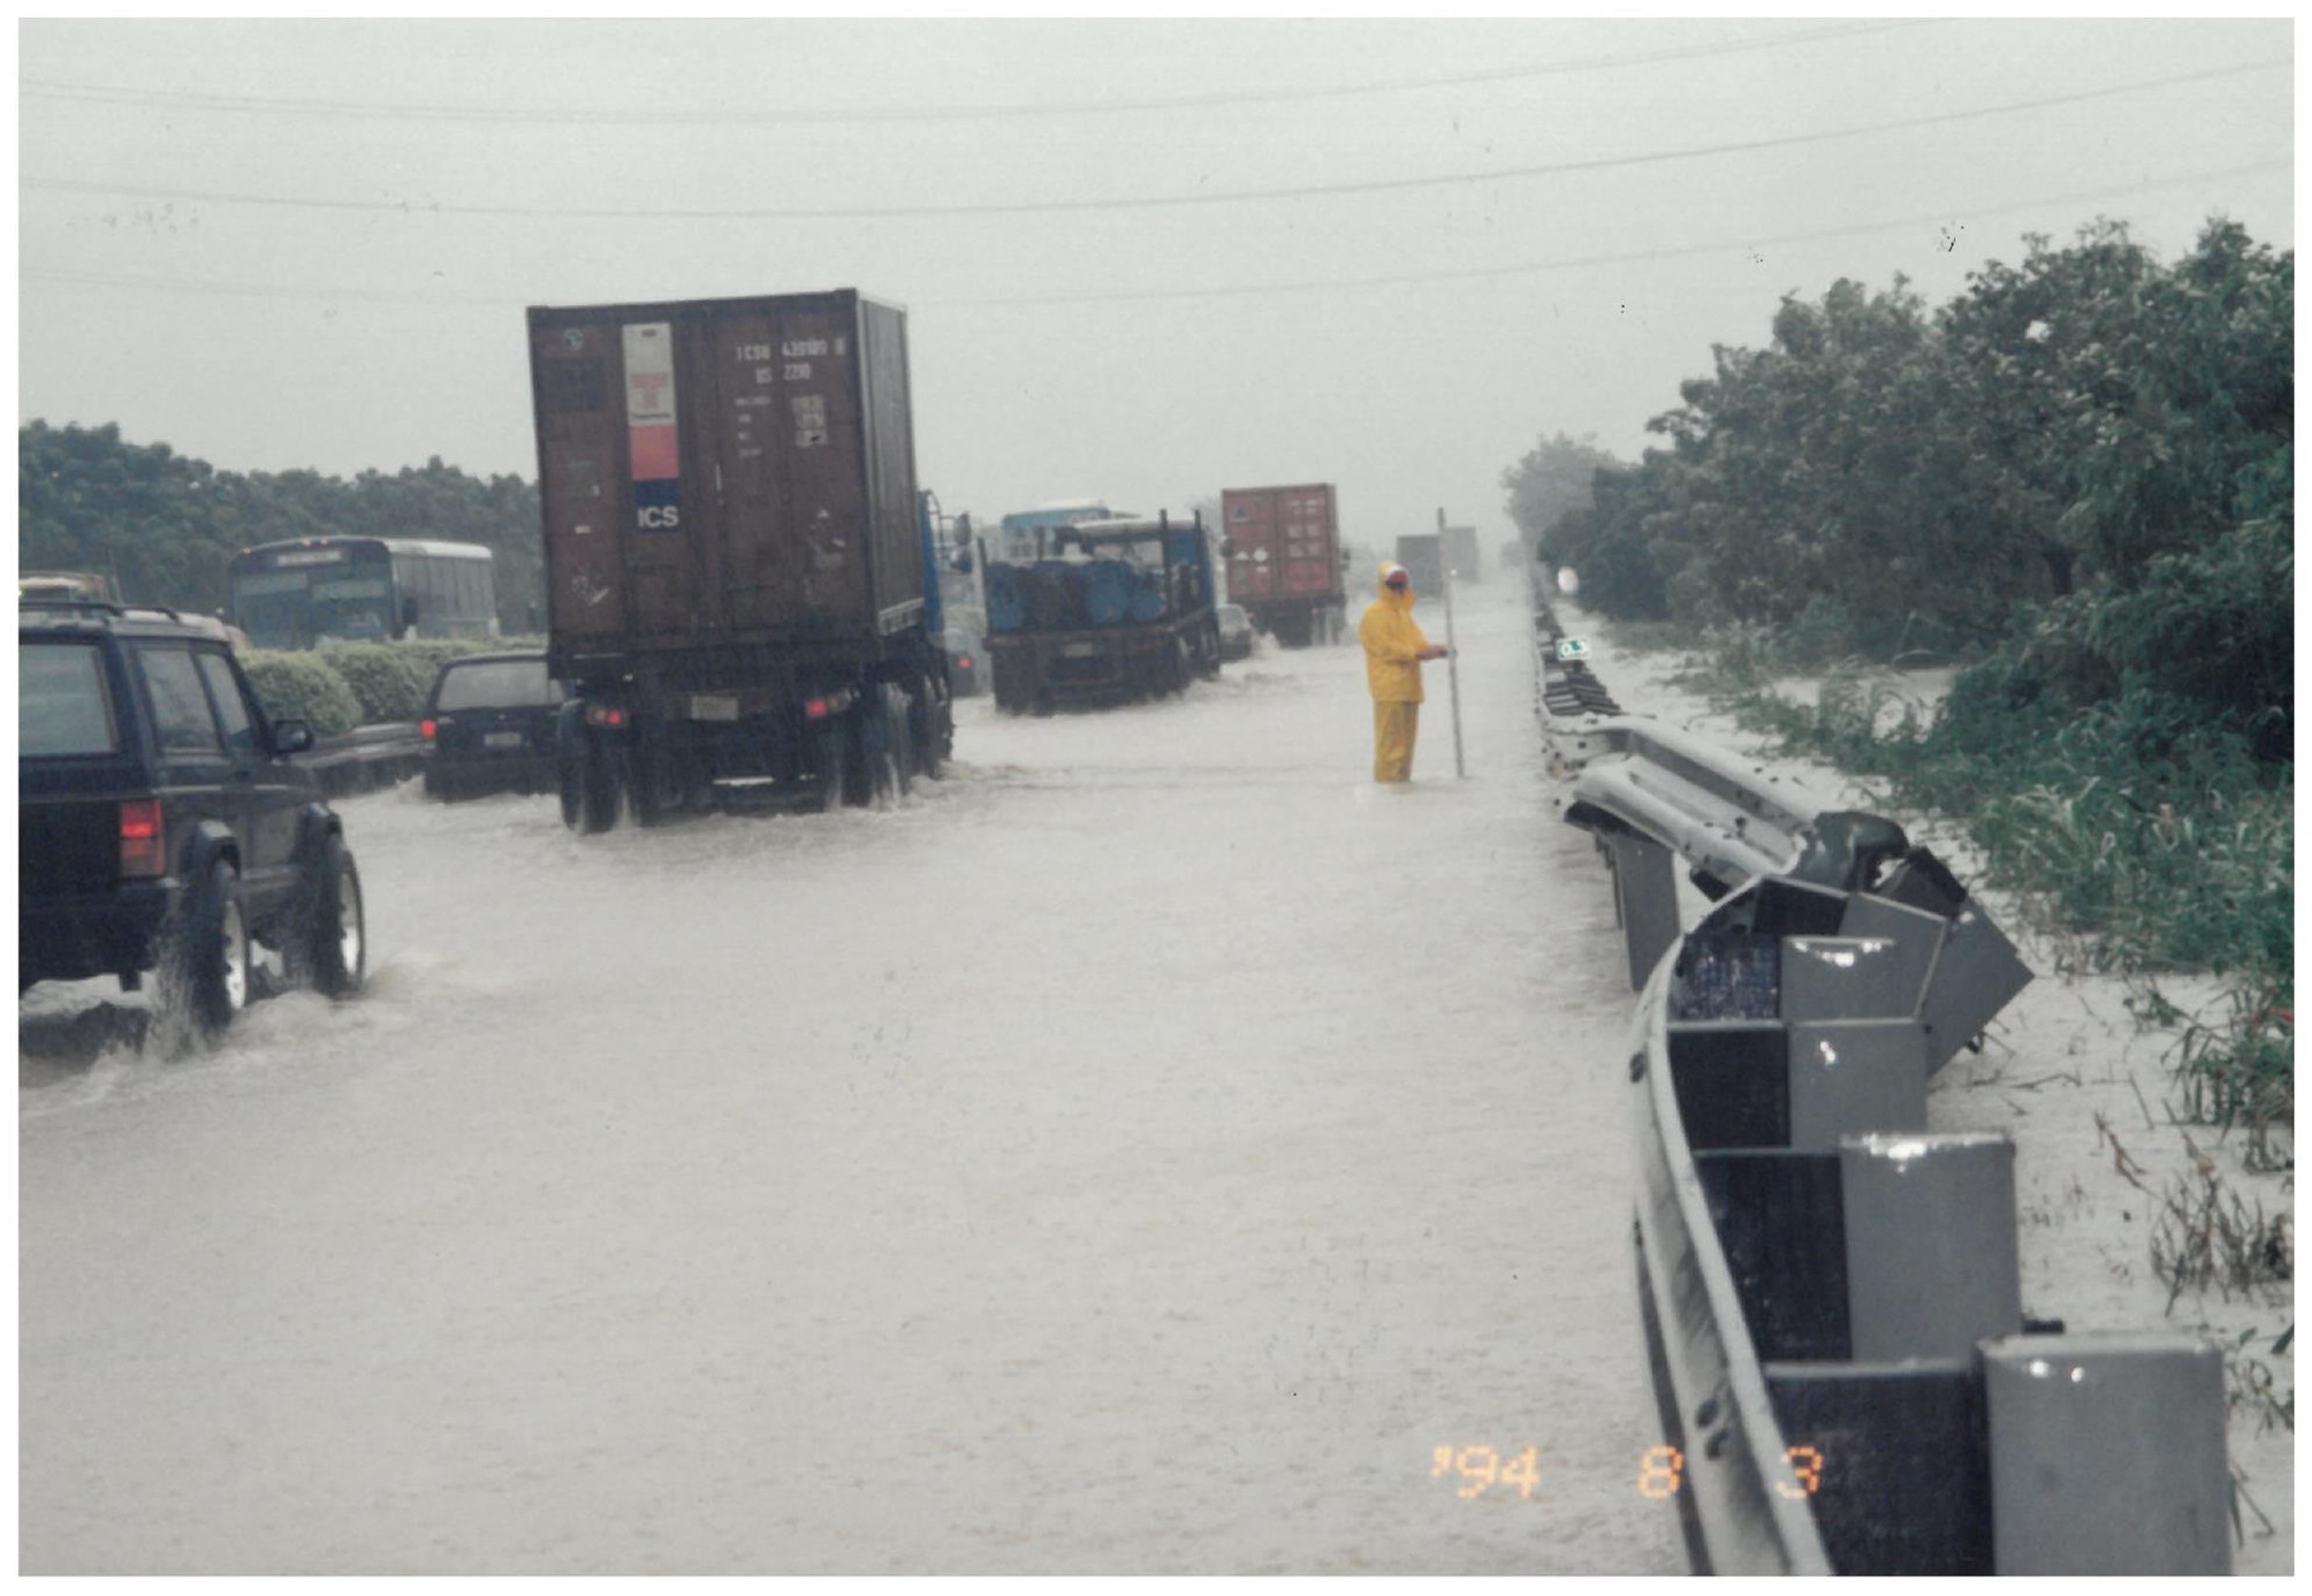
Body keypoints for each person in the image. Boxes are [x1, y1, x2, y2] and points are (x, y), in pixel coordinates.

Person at [1357, 560, 1449, 782]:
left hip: (1409, 688)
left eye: (1401, 583)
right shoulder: (1373, 615)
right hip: (1389, 691)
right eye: (1393, 583)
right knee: (1390, 749)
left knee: (1406, 751)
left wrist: (1437, 650)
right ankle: (1387, 793)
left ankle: (1402, 792)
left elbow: (1418, 643)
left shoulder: (1403, 613)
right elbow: (1387, 649)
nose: (1398, 588)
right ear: (1383, 585)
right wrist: (1420, 653)